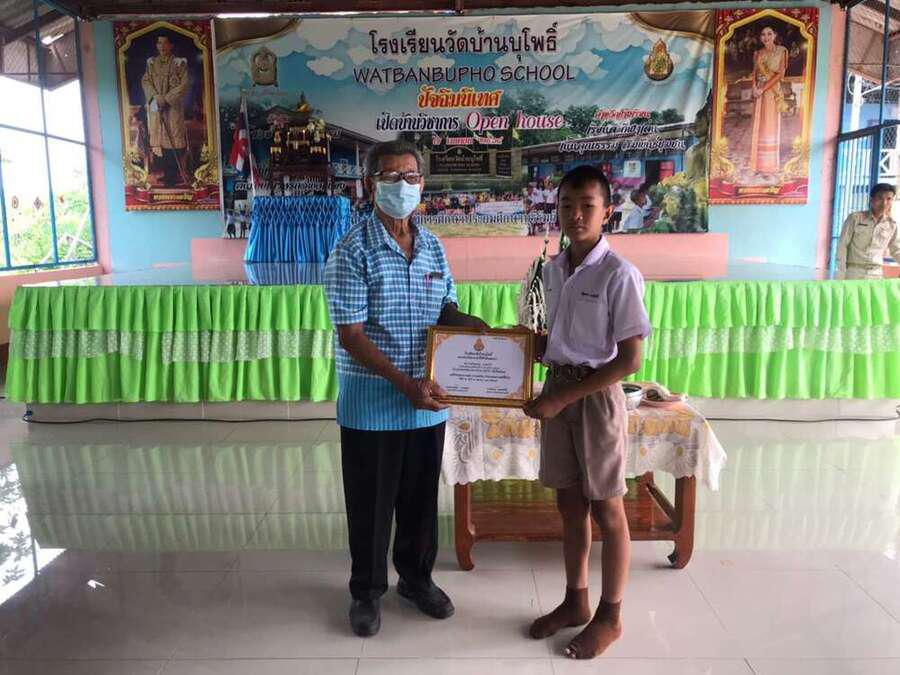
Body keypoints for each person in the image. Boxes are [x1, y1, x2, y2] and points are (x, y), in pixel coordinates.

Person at [324, 140, 488, 638]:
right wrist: (404, 384)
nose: (403, 186)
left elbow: (445, 309)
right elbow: (352, 335)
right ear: (369, 184)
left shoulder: (433, 246)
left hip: (427, 402)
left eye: (411, 176)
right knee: (371, 506)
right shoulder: (351, 250)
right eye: (391, 177)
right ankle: (367, 591)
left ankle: (416, 580)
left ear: (423, 183)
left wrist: (480, 331)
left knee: (419, 502)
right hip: (374, 405)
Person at [523, 164, 650, 660]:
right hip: (559, 384)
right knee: (569, 503)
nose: (575, 215)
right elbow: (557, 340)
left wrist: (562, 398)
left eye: (587, 206)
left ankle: (610, 615)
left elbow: (630, 359)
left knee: (607, 508)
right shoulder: (554, 269)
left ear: (607, 212)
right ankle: (575, 600)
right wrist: (521, 349)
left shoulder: (619, 274)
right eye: (566, 206)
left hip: (595, 398)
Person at [141, 33, 190, 187]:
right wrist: (155, 97)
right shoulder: (151, 63)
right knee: (159, 141)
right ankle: (166, 174)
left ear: (171, 45)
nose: (161, 46)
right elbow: (146, 81)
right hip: (156, 106)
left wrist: (166, 99)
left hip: (172, 108)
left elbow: (184, 85)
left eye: (165, 43)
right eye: (159, 43)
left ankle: (172, 176)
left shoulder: (179, 63)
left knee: (173, 139)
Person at [836, 183, 900, 279]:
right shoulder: (855, 218)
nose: (884, 203)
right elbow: (842, 245)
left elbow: (896, 250)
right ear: (871, 199)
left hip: (876, 273)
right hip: (854, 272)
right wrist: (841, 272)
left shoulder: (892, 225)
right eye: (880, 198)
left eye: (889, 199)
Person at [749, 25, 788, 178]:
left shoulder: (781, 51)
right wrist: (754, 87)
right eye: (763, 34)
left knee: (769, 125)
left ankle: (770, 166)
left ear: (775, 35)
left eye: (769, 34)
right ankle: (757, 165)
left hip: (772, 92)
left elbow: (780, 74)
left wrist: (763, 89)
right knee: (758, 125)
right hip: (759, 92)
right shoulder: (758, 53)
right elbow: (754, 72)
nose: (766, 37)